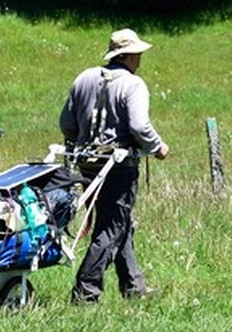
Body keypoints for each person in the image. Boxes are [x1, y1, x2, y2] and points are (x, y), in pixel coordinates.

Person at [60, 27, 170, 303]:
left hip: (87, 164)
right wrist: (157, 147)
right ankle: (86, 290)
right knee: (112, 227)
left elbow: (67, 124)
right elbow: (139, 125)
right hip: (118, 165)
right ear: (131, 57)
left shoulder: (84, 78)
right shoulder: (133, 84)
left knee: (118, 222)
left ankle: (134, 287)